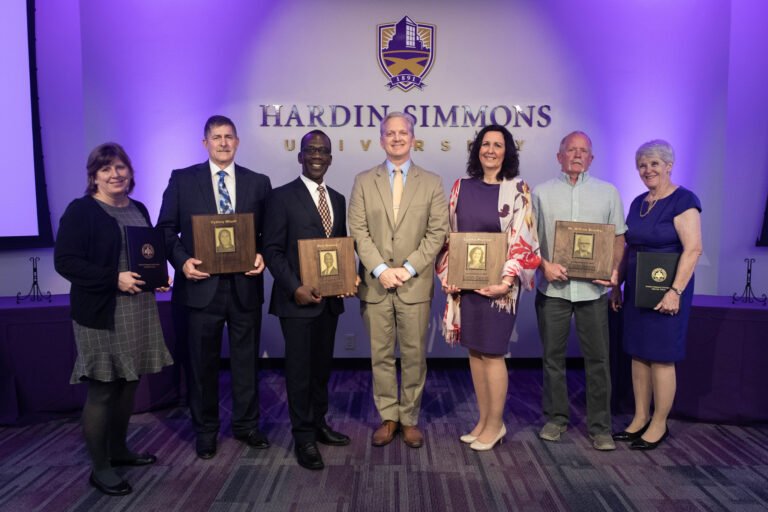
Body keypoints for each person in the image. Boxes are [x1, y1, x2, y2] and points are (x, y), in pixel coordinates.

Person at [54, 143, 173, 496]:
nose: (115, 174)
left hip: (138, 310)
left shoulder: (138, 208)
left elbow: (146, 254)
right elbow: (66, 262)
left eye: (121, 167)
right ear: (94, 176)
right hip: (101, 313)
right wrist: (113, 278)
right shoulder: (81, 211)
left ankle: (119, 450)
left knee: (129, 384)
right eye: (106, 169)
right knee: (104, 388)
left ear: (130, 173)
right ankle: (100, 467)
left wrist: (159, 276)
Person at [157, 115, 271, 459]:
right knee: (201, 365)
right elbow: (165, 229)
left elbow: (270, 233)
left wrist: (263, 254)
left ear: (237, 142)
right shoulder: (182, 180)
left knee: (246, 362)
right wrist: (182, 262)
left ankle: (246, 425)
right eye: (216, 137)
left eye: (229, 137)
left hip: (244, 287)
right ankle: (205, 430)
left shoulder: (258, 182)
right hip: (199, 287)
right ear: (205, 143)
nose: (223, 142)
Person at [436, 125, 540, 451]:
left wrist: (506, 281)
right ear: (476, 150)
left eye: (497, 145)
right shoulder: (460, 187)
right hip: (466, 287)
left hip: (500, 288)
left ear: (507, 151)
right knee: (476, 352)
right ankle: (483, 420)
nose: (490, 150)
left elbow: (525, 240)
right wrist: (448, 274)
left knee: (493, 354)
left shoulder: (519, 189)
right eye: (485, 144)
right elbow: (449, 238)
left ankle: (495, 425)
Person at [348, 112, 449, 448]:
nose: (396, 138)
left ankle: (410, 418)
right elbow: (359, 232)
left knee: (414, 355)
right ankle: (388, 417)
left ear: (413, 138)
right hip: (376, 285)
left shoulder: (432, 182)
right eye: (389, 133)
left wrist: (407, 268)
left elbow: (438, 233)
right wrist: (379, 269)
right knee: (380, 355)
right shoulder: (363, 180)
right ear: (381, 140)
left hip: (414, 285)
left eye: (402, 133)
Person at [262, 130, 356, 469]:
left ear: (331, 158)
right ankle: (303, 438)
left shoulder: (339, 199)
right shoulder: (281, 197)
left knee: (321, 370)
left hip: (329, 303)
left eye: (324, 150)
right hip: (297, 302)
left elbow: (340, 249)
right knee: (299, 372)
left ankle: (318, 424)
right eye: (311, 150)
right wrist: (294, 287)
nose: (317, 155)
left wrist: (349, 276)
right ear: (300, 156)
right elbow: (271, 250)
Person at [532, 130, 626, 451]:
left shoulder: (609, 192)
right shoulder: (540, 194)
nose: (576, 154)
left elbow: (618, 239)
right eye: (570, 149)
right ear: (559, 157)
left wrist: (613, 270)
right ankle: (556, 419)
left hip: (593, 292)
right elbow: (529, 241)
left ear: (591, 158)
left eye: (583, 150)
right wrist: (543, 264)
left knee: (598, 360)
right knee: (552, 359)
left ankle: (601, 427)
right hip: (553, 290)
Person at [611, 140, 702, 450]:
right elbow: (627, 248)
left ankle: (659, 423)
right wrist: (616, 285)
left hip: (668, 291)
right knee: (638, 354)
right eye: (642, 165)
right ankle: (639, 418)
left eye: (653, 164)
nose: (647, 170)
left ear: (668, 166)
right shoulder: (637, 202)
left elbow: (693, 249)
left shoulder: (684, 200)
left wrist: (675, 291)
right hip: (637, 289)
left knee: (662, 358)